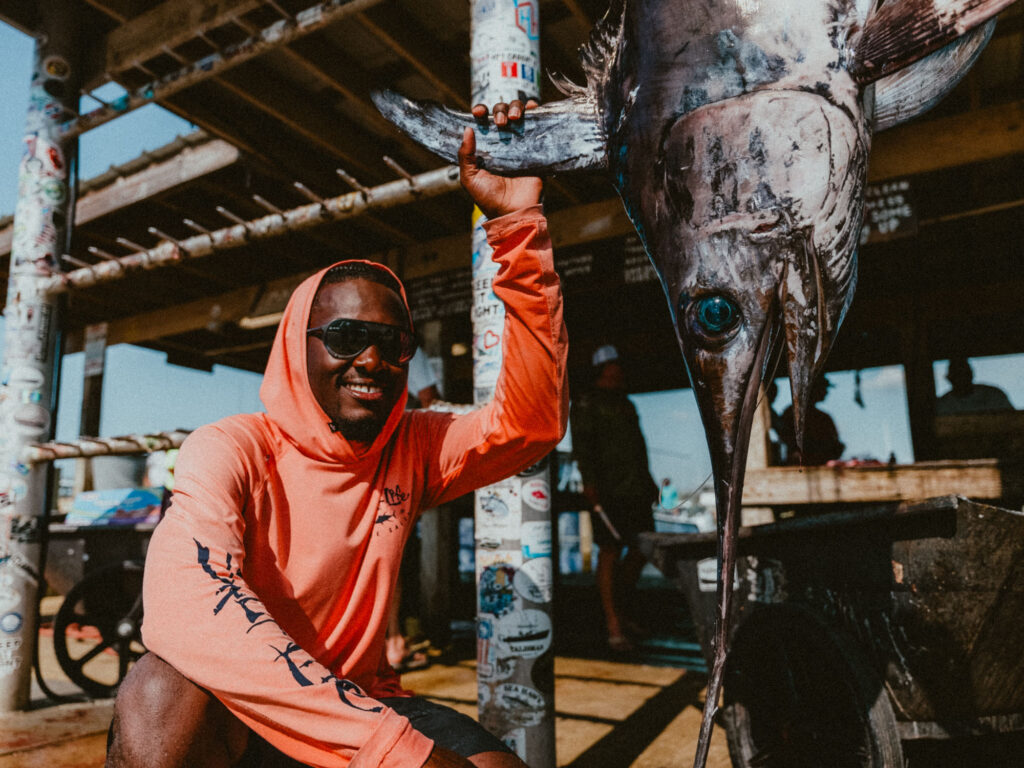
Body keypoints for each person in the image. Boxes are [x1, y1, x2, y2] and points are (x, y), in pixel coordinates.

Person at [106, 100, 567, 768]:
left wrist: (517, 223)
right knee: (159, 689)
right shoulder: (234, 448)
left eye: (392, 342)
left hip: (358, 701)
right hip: (248, 715)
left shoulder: (412, 446)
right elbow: (189, 606)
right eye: (347, 338)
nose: (372, 360)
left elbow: (532, 424)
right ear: (299, 344)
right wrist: (392, 750)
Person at [569, 344, 658, 653]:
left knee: (641, 548)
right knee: (609, 549)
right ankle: (613, 623)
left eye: (618, 364)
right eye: (611, 364)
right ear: (600, 369)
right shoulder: (585, 402)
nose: (617, 369)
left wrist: (650, 481)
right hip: (606, 490)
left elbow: (639, 447)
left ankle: (622, 609)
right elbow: (582, 446)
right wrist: (590, 484)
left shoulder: (627, 404)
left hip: (635, 489)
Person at [778, 376, 844, 465]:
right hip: (801, 465)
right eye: (823, 388)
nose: (826, 392)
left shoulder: (823, 417)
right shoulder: (793, 413)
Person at [936, 356, 1014, 415]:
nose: (961, 378)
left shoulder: (994, 395)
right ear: (949, 378)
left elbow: (1013, 420)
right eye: (957, 374)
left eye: (964, 373)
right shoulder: (943, 404)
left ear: (971, 374)